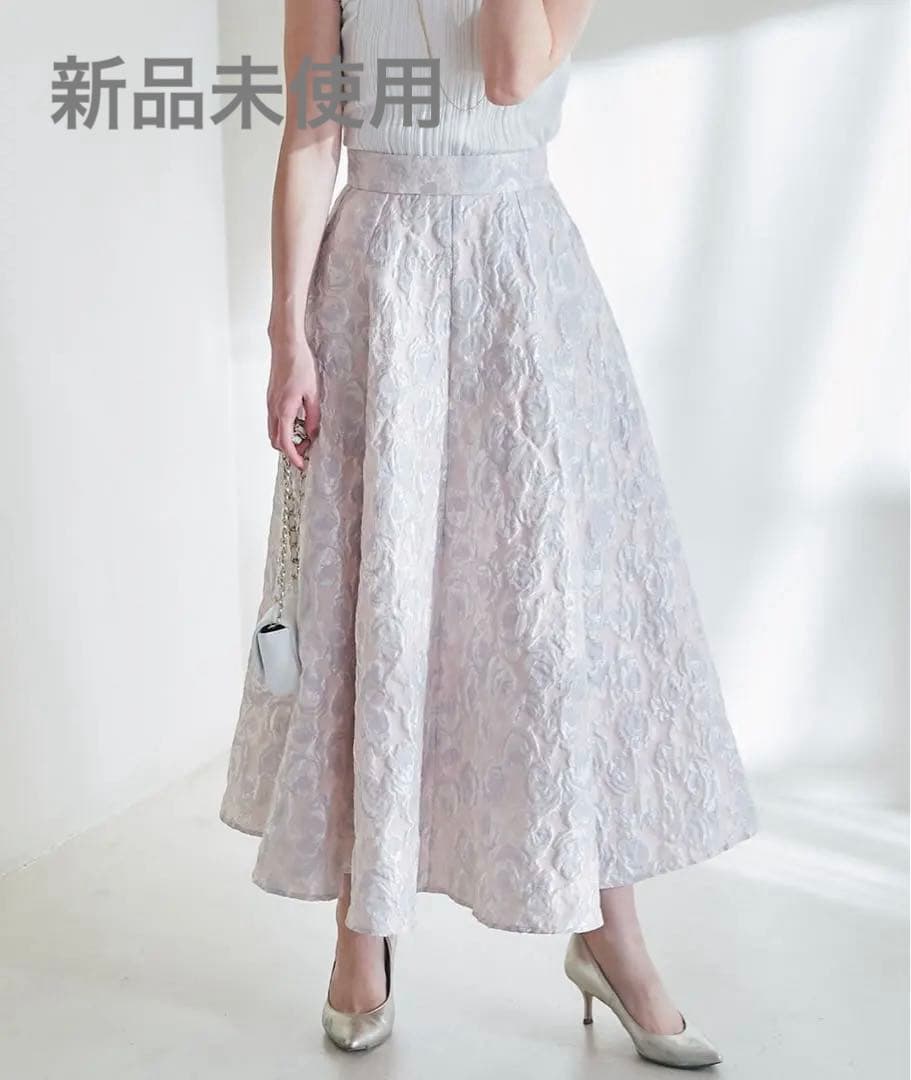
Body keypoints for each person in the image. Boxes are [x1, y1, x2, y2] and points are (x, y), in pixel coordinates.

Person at [220, 0, 759, 1066]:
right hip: (376, 283)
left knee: (553, 621)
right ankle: (361, 929)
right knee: (376, 611)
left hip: (519, 286)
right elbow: (314, 133)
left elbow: (510, 72)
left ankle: (606, 933)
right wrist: (287, 333)